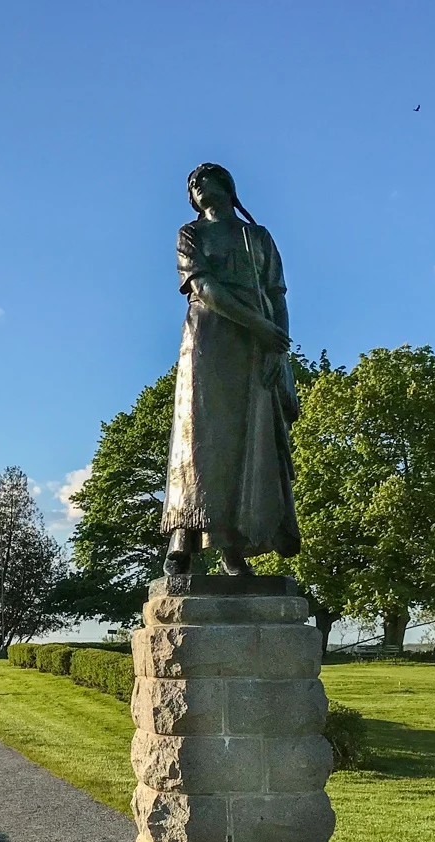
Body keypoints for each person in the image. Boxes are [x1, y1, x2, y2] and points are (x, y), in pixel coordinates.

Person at [162, 162, 301, 576]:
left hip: (256, 348)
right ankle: (182, 538)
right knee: (200, 438)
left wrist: (278, 349)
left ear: (227, 185)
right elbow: (204, 287)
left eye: (205, 178)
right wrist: (261, 326)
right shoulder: (190, 234)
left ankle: (231, 548)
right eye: (192, 184)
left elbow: (277, 296)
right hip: (210, 337)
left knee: (247, 442)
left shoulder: (257, 236)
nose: (198, 186)